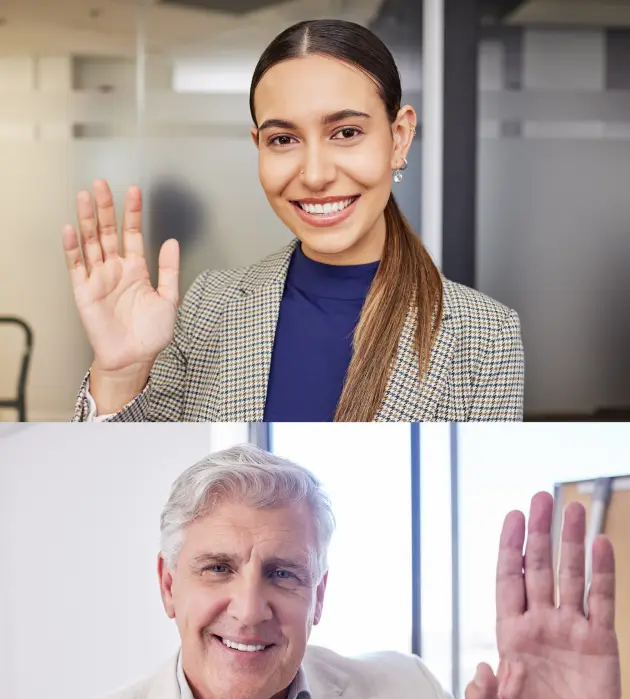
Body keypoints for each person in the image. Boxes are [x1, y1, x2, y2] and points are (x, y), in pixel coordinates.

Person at [0, 445, 630, 699]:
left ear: (318, 597)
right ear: (169, 586)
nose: (250, 609)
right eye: (218, 568)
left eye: (283, 573)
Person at [62, 19, 522, 423]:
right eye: (283, 139)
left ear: (398, 137)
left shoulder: (485, 335)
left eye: (346, 133)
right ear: (258, 146)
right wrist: (119, 375)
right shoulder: (209, 305)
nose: (316, 175)